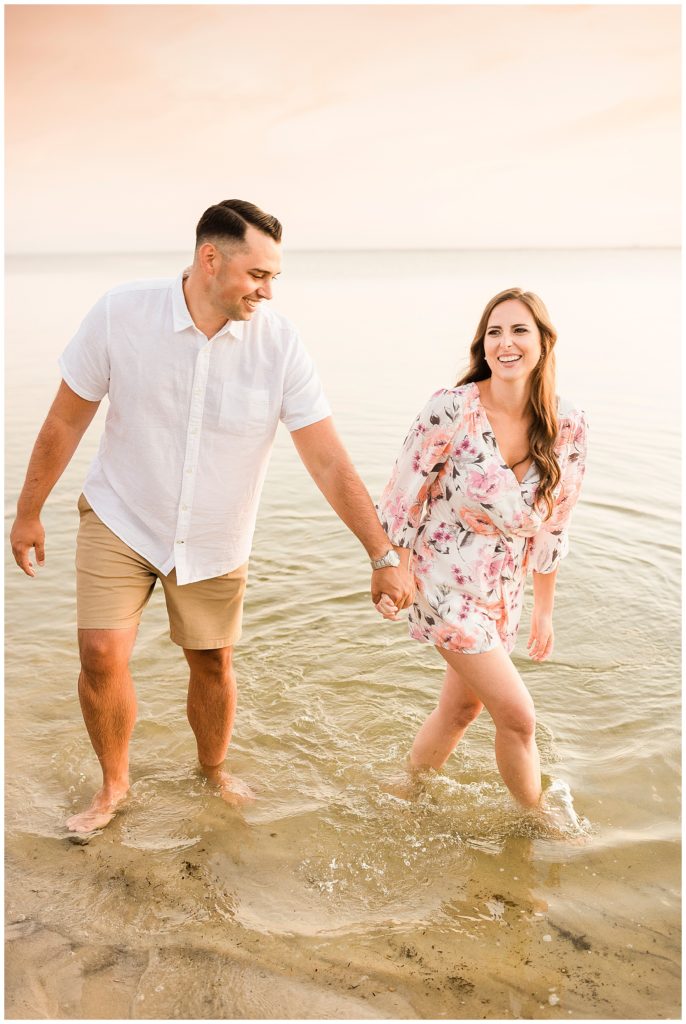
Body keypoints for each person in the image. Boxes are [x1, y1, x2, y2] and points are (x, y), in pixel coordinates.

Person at [10, 199, 413, 833]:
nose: (269, 290)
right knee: (99, 654)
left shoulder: (280, 345)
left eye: (275, 276)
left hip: (215, 533)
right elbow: (66, 417)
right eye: (259, 274)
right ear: (210, 258)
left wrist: (382, 553)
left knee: (212, 663)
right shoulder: (122, 313)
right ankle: (114, 785)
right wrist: (28, 510)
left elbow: (329, 461)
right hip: (122, 514)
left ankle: (211, 770)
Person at [375, 287, 587, 813]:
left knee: (462, 710)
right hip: (441, 581)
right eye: (495, 331)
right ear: (482, 344)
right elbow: (404, 496)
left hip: (501, 592)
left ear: (543, 343)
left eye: (519, 330)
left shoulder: (569, 426)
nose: (505, 342)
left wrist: (544, 611)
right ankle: (535, 823)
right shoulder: (451, 410)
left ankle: (406, 793)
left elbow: (555, 526)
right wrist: (392, 570)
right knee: (518, 716)